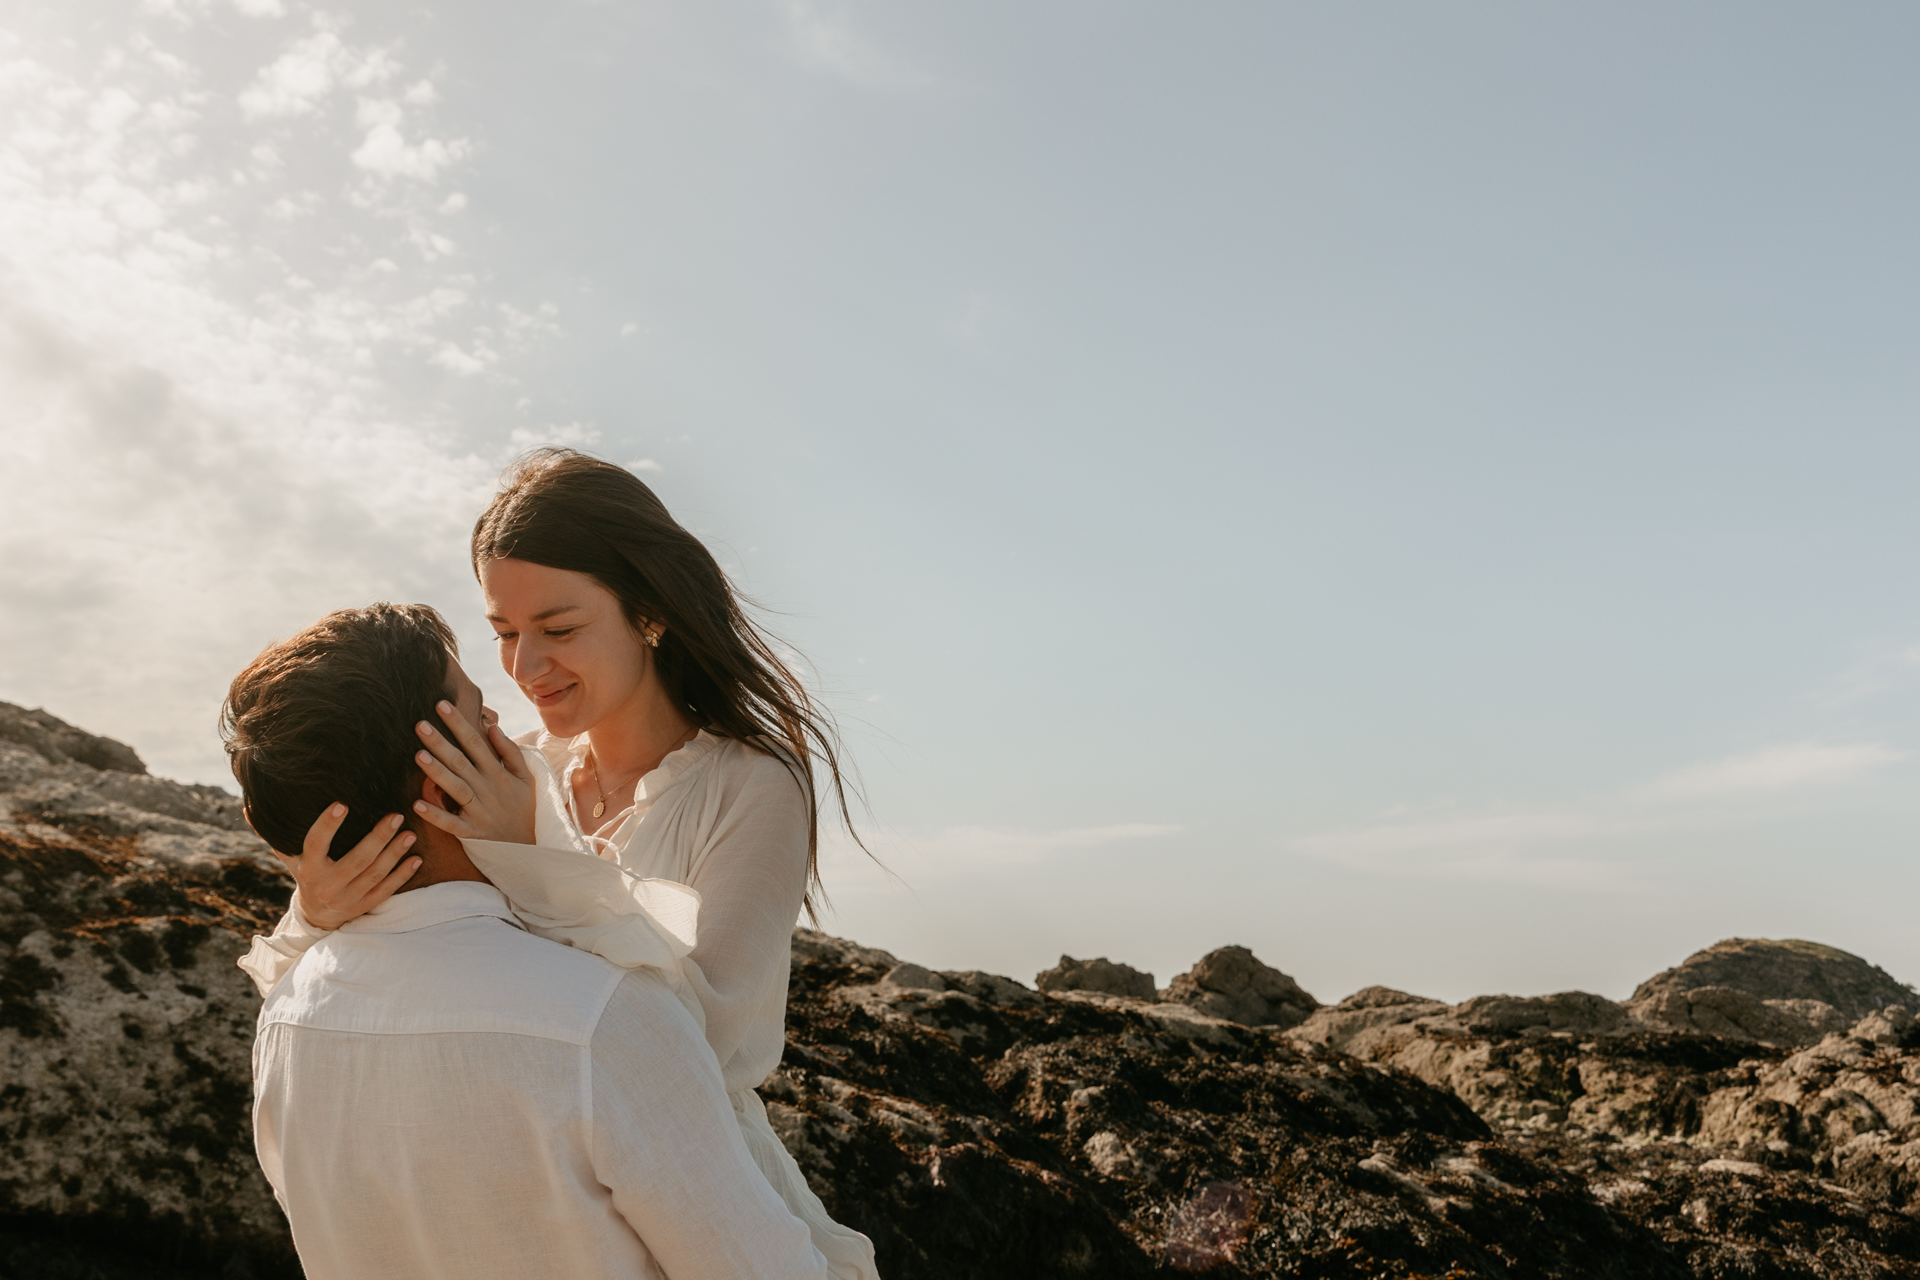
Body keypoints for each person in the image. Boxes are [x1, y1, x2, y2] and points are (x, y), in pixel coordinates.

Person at [239, 449, 878, 1279]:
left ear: (649, 611)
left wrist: (536, 852)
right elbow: (382, 974)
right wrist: (317, 909)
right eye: (504, 633)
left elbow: (708, 1033)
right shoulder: (506, 765)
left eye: (560, 629)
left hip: (696, 1188)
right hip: (499, 1167)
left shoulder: (753, 785)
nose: (524, 669)